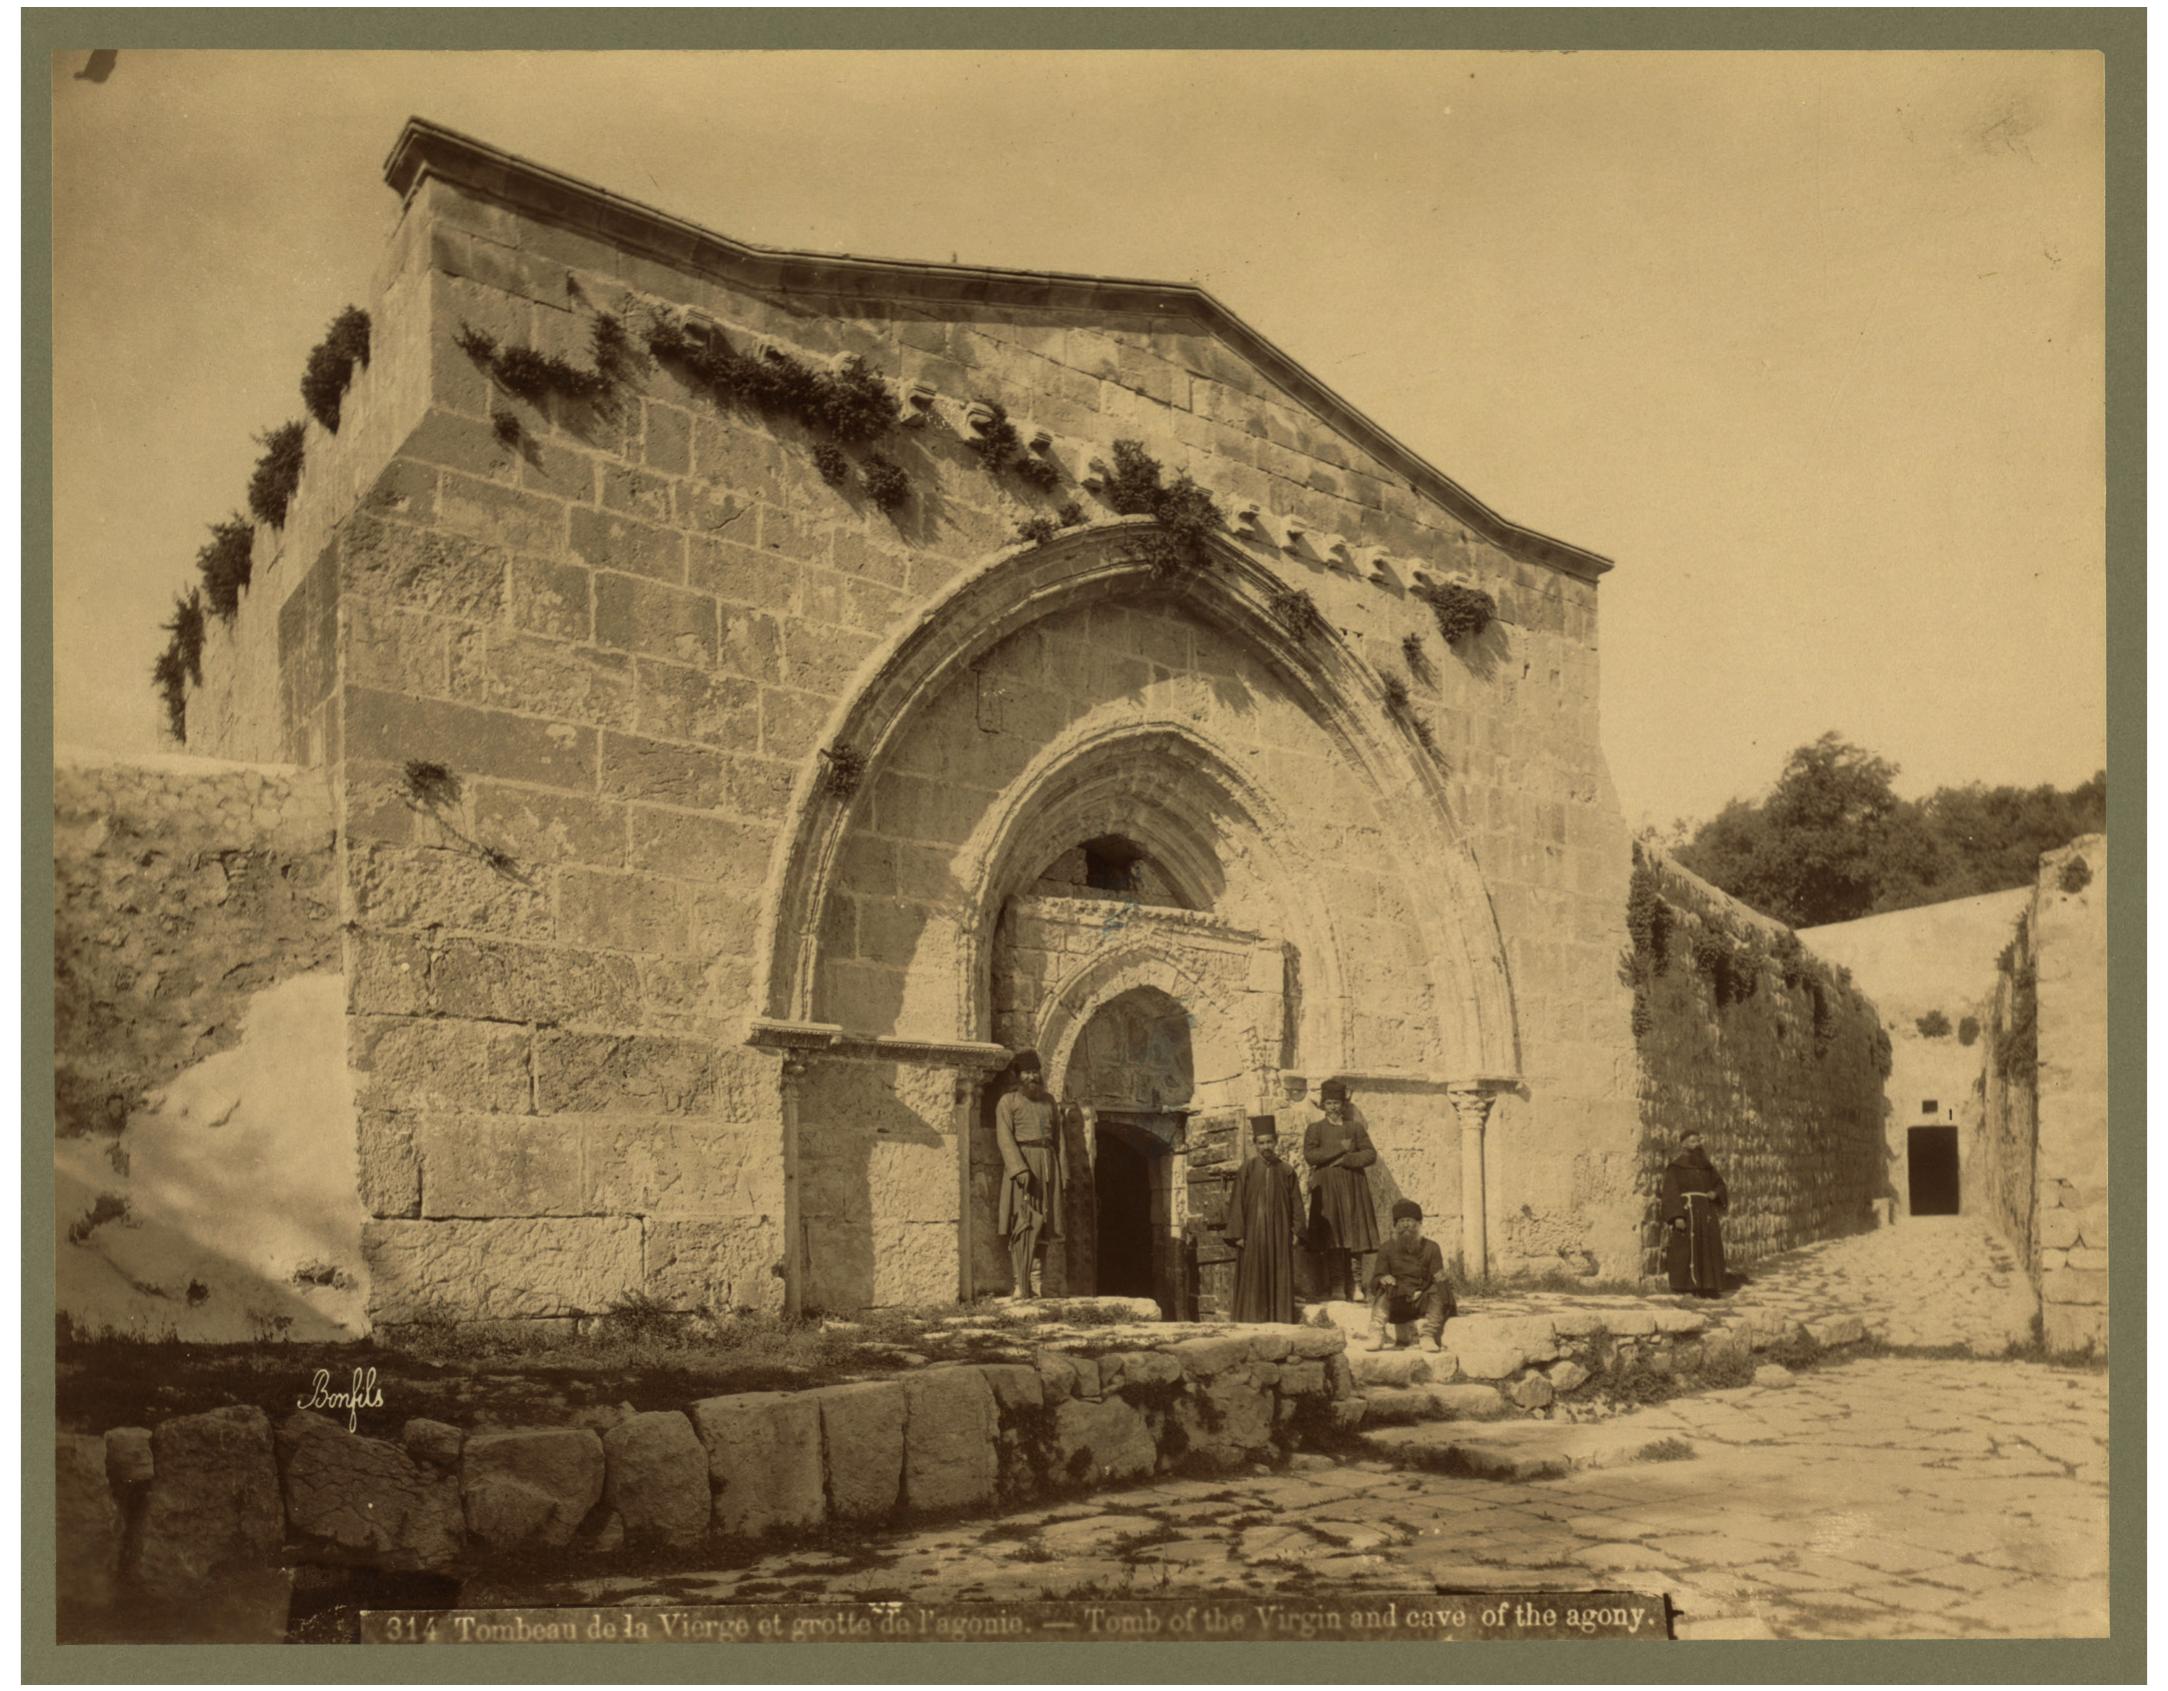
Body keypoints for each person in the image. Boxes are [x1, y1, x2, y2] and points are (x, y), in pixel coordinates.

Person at [1303, 1078, 1379, 1301]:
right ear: (1323, 1105)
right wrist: (1339, 1148)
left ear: (1343, 1105)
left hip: (1353, 1188)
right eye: (1329, 1103)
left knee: (1354, 1237)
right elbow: (1311, 1156)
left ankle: (1356, 1284)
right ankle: (1337, 1285)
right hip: (1328, 1191)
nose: (1334, 1107)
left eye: (1337, 1103)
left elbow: (1370, 1154)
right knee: (1333, 1237)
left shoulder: (1354, 1128)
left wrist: (1346, 1159)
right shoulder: (1315, 1129)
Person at [1222, 1117, 1304, 1324]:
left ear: (1276, 1142)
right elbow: (1237, 1202)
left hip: (1280, 1233)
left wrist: (1296, 1231)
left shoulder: (1287, 1171)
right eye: (1261, 1142)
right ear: (1255, 1144)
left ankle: (1280, 1321)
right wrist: (1238, 1234)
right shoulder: (1247, 1169)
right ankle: (1251, 1321)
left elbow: (1297, 1203)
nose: (1266, 1146)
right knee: (1254, 1277)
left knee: (1279, 1274)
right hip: (1253, 1234)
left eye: (1269, 1142)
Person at [995, 1050, 1062, 1299]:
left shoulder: (1049, 1102)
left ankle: (1037, 1284)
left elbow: (1058, 1139)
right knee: (1021, 1225)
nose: (1032, 1077)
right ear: (1017, 1075)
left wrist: (1059, 1171)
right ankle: (1019, 1284)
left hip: (1047, 1166)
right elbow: (1004, 1137)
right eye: (1027, 1072)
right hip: (1022, 1168)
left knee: (1043, 1225)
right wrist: (1019, 1169)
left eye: (1035, 1072)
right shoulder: (1008, 1102)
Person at [1366, 1199, 1455, 1352]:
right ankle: (1376, 1333)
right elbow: (1375, 1279)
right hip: (1397, 1300)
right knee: (1384, 1288)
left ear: (1419, 1224)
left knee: (1439, 1288)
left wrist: (1441, 1282)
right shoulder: (1386, 1248)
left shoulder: (1432, 1248)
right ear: (1395, 1225)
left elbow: (1438, 1276)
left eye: (1410, 1221)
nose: (1406, 1225)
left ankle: (1428, 1335)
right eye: (1402, 1221)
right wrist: (1383, 1278)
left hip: (1422, 1301)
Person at [1660, 1129, 1728, 1298]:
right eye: (1692, 1142)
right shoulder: (1675, 1167)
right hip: (1687, 1212)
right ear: (1683, 1144)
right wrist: (1677, 1216)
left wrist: (1715, 1193)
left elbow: (1720, 1184)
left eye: (1698, 1141)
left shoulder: (1707, 1167)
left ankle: (1708, 1285)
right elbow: (1670, 1192)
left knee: (1708, 1247)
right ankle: (1685, 1286)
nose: (1696, 1145)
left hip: (1706, 1213)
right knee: (1686, 1248)